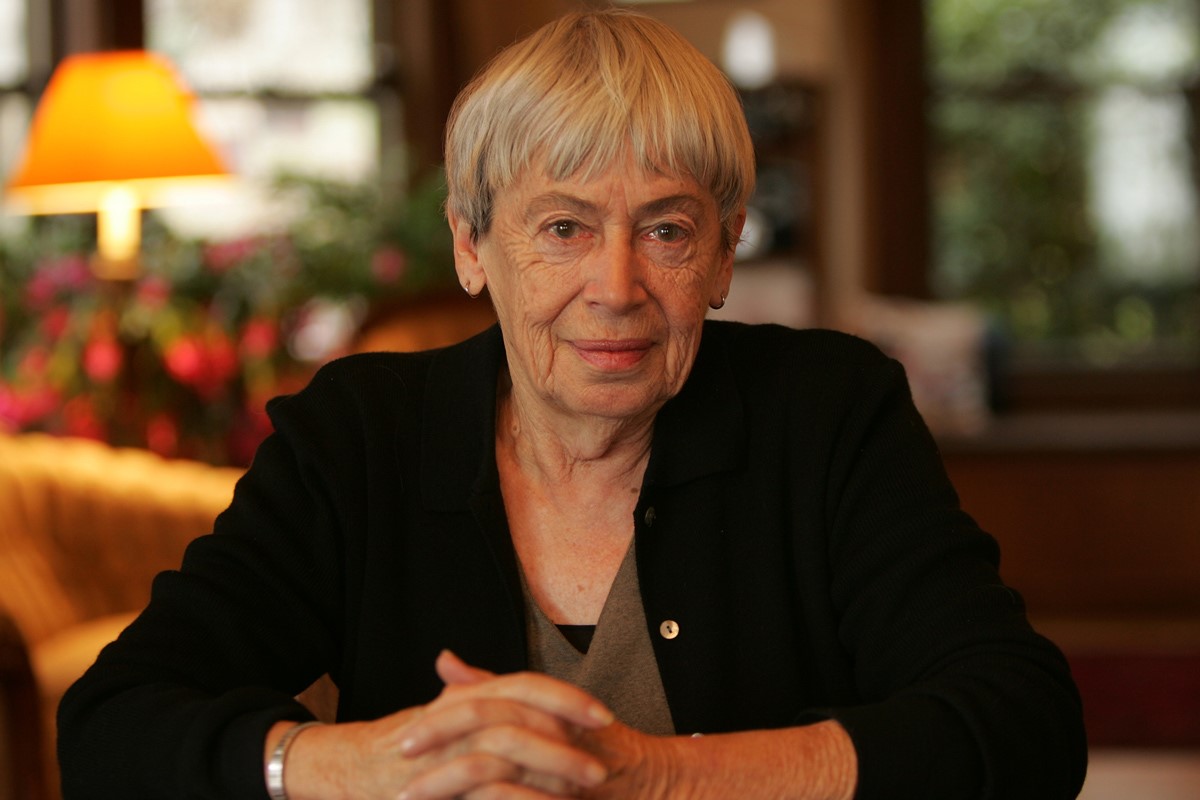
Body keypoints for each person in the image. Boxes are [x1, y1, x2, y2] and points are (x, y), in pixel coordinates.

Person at [58, 9, 1087, 799]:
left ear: (726, 252)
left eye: (669, 230)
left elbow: (1023, 722)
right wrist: (373, 763)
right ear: (472, 246)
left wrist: (657, 774)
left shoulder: (826, 413)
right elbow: (111, 723)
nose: (617, 285)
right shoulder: (358, 434)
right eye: (562, 226)